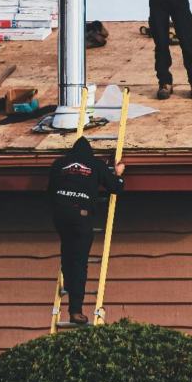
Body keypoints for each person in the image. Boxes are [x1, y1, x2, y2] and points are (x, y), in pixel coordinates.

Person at [48, 136, 125, 324]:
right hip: (80, 216)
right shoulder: (95, 163)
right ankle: (75, 311)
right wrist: (119, 174)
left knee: (67, 250)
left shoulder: (59, 163)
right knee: (80, 261)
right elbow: (115, 188)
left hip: (59, 214)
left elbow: (50, 190)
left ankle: (68, 279)